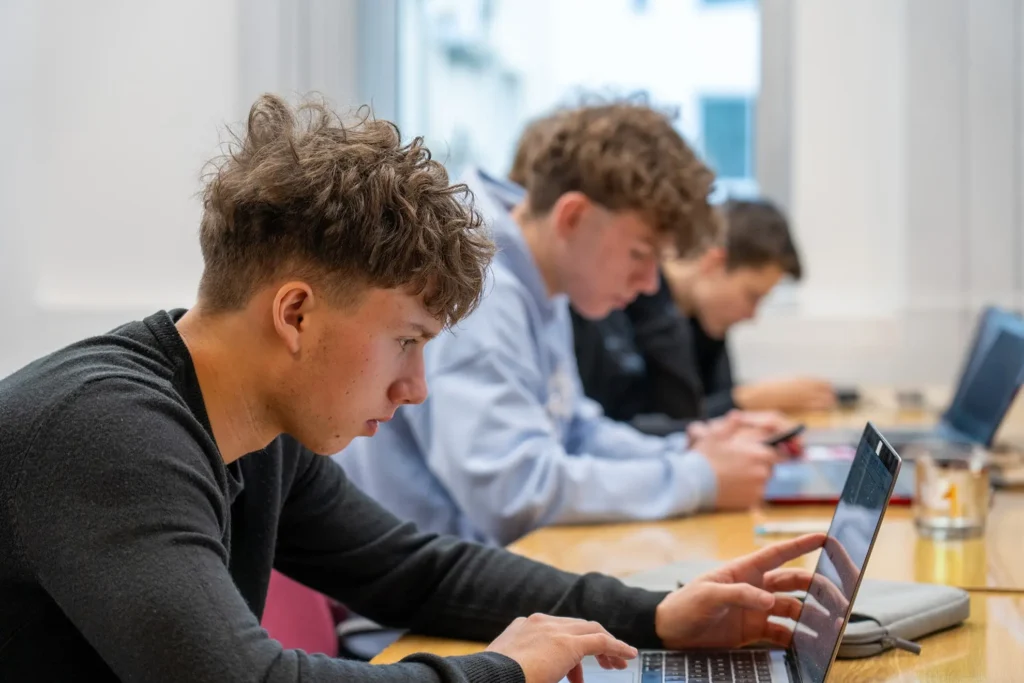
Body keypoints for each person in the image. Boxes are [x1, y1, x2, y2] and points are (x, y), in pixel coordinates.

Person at [0, 93, 824, 683]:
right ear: (296, 312)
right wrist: (501, 670)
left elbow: (414, 571)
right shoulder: (108, 434)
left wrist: (656, 614)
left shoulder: (257, 427)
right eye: (406, 341)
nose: (417, 387)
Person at [339, 102, 796, 548]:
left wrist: (687, 452)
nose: (649, 282)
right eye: (640, 254)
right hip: (423, 605)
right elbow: (514, 493)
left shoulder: (539, 275)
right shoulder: (485, 288)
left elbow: (574, 429)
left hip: (485, 572)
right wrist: (699, 479)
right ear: (572, 217)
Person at [570, 197, 837, 435]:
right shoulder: (616, 304)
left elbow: (695, 416)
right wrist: (743, 401)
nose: (752, 315)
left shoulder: (702, 323)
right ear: (715, 263)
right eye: (752, 296)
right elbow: (647, 425)